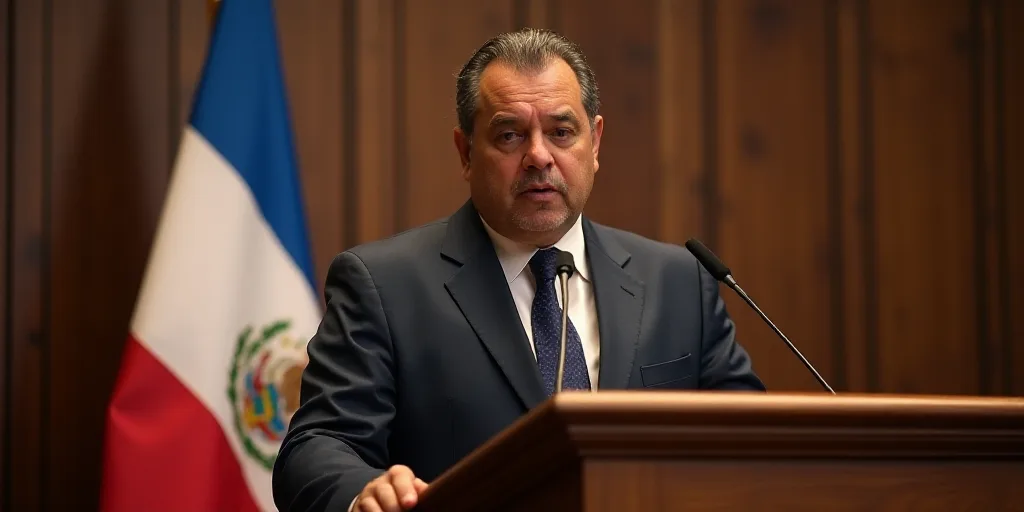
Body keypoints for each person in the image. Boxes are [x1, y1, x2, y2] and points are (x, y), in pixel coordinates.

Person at [272, 27, 764, 512]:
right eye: (509, 135)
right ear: (466, 153)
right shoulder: (384, 285)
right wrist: (364, 492)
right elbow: (315, 448)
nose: (538, 156)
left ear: (594, 143)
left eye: (561, 131)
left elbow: (755, 446)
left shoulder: (680, 282)